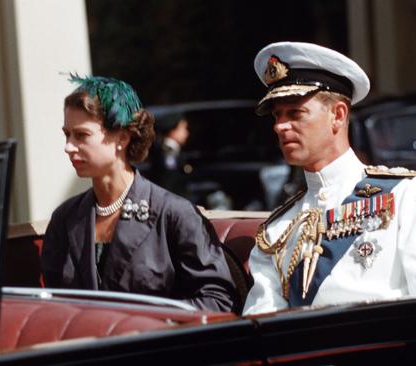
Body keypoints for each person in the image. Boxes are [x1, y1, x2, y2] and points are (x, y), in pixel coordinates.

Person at [243, 42, 416, 315]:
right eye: (277, 115)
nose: (279, 126)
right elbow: (261, 324)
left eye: (295, 113)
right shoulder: (276, 231)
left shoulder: (405, 197)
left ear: (338, 115)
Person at [40, 74, 237, 312]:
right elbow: (55, 305)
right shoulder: (65, 218)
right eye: (67, 134)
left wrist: (148, 326)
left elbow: (218, 300)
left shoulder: (174, 213)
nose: (68, 146)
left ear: (122, 137)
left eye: (81, 135)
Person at [145, 112, 191, 198]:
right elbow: (169, 183)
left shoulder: (172, 151)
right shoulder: (168, 153)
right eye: (183, 129)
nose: (186, 133)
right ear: (172, 131)